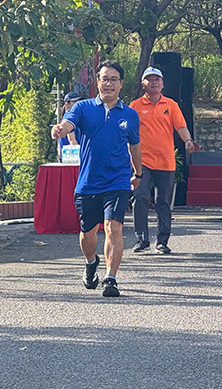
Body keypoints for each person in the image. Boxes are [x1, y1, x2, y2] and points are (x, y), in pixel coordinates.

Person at [50, 60, 143, 298]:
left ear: (121, 83)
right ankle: (91, 262)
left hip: (118, 180)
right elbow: (68, 123)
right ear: (98, 82)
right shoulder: (83, 108)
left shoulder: (130, 115)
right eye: (104, 79)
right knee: (88, 234)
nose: (109, 84)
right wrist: (60, 129)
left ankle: (111, 278)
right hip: (89, 182)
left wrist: (138, 173)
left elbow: (134, 146)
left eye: (114, 79)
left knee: (114, 227)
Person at [129, 66, 196, 254]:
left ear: (162, 83)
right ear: (143, 84)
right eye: (149, 79)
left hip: (166, 160)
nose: (154, 82)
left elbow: (181, 126)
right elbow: (127, 131)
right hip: (141, 161)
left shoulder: (171, 105)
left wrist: (188, 140)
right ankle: (142, 240)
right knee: (140, 197)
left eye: (157, 79)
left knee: (163, 202)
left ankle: (162, 242)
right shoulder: (134, 106)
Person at [58, 92, 81, 162]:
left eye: (78, 101)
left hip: (69, 156)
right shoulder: (69, 118)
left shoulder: (74, 116)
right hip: (70, 157)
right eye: (74, 101)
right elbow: (72, 140)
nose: (77, 103)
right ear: (66, 104)